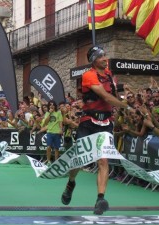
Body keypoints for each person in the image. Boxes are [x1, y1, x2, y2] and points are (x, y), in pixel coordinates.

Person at [60, 46, 131, 215]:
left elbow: (112, 93)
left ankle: (100, 198)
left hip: (106, 122)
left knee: (103, 160)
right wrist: (125, 106)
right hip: (88, 121)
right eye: (101, 56)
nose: (105, 58)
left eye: (105, 55)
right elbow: (105, 96)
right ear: (93, 60)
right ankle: (71, 182)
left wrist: (125, 92)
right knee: (79, 158)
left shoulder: (109, 74)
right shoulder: (88, 75)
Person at [43, 100, 63, 164]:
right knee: (48, 147)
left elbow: (60, 122)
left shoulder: (58, 112)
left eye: (53, 104)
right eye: (50, 104)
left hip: (57, 132)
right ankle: (48, 160)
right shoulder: (47, 113)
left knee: (56, 148)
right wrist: (50, 113)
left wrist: (61, 129)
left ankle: (56, 161)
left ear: (55, 106)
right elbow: (46, 122)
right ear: (49, 106)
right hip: (49, 132)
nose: (52, 106)